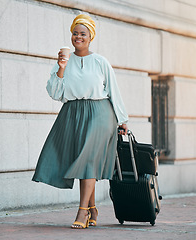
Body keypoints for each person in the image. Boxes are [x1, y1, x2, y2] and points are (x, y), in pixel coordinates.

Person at [32, 14, 128, 229]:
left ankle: (82, 212)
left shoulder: (100, 62)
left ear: (90, 37)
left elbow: (114, 91)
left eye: (83, 33)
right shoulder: (63, 62)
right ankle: (93, 209)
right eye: (75, 33)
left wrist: (122, 120)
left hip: (100, 113)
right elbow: (55, 93)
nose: (78, 37)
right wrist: (61, 68)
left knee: (87, 160)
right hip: (72, 113)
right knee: (83, 160)